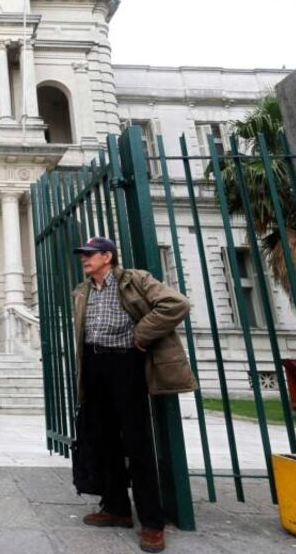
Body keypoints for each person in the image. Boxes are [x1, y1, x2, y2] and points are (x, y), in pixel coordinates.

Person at [72, 237, 196, 554]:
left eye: (89, 255)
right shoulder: (83, 290)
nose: (84, 259)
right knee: (105, 440)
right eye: (83, 255)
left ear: (107, 256)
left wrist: (140, 335)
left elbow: (176, 304)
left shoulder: (135, 280)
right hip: (94, 364)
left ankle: (153, 523)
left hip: (126, 363)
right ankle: (117, 508)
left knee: (138, 442)